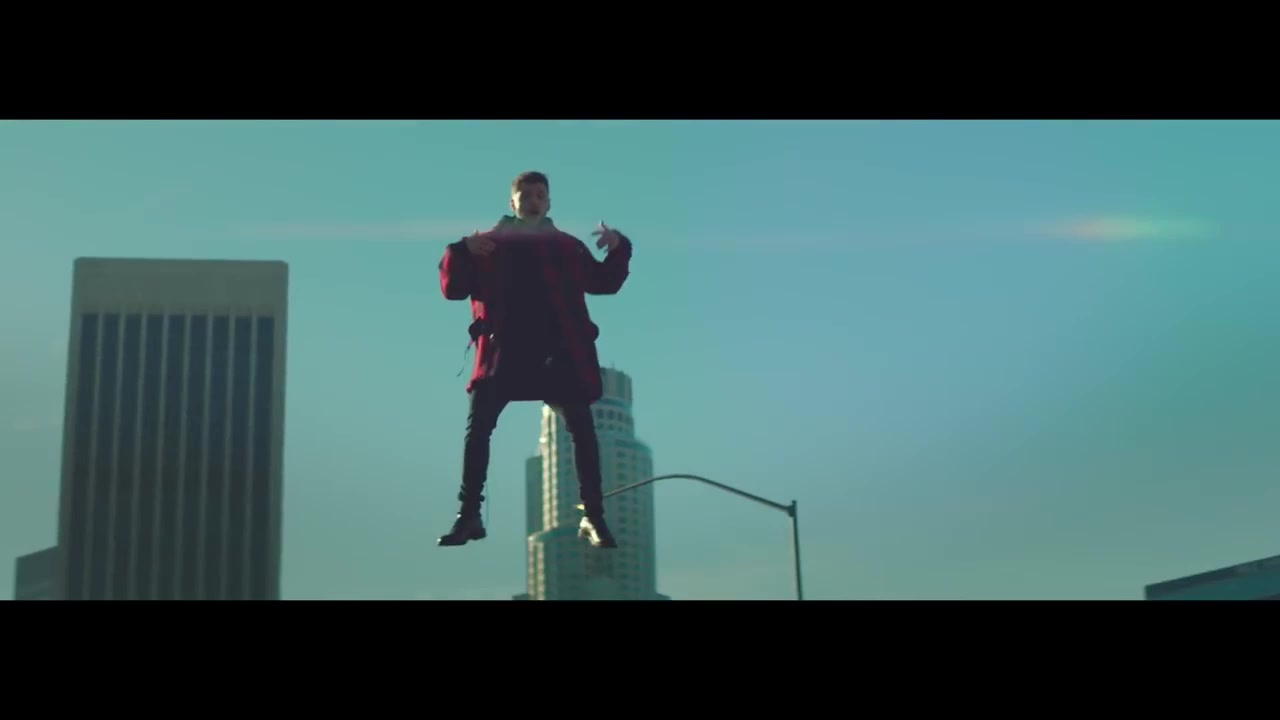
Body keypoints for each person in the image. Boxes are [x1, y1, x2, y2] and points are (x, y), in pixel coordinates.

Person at [436, 170, 633, 549]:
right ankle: (469, 515)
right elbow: (453, 289)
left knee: (583, 430)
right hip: (503, 353)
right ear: (512, 202)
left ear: (549, 202)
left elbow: (604, 283)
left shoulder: (566, 247)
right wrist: (460, 250)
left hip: (557, 355)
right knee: (478, 431)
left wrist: (618, 247)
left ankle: (593, 516)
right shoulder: (487, 245)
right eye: (525, 195)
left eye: (540, 195)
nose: (533, 201)